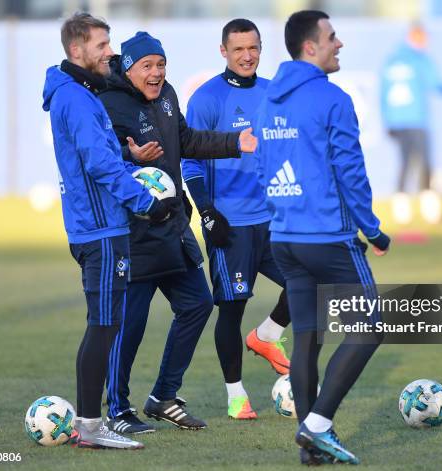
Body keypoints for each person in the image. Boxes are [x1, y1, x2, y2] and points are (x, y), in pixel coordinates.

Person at [97, 31, 258, 434]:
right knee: (129, 326)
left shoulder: (166, 95)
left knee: (199, 304)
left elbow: (185, 141)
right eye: (147, 66)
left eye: (161, 65)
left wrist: (233, 142)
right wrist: (128, 155)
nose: (156, 73)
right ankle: (117, 410)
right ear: (129, 68)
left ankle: (164, 396)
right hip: (132, 231)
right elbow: (97, 160)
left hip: (172, 225)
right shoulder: (107, 101)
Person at [253, 10, 390, 465]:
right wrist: (372, 228)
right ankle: (317, 424)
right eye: (333, 37)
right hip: (327, 237)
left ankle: (310, 447)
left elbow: (261, 166)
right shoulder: (333, 100)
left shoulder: (268, 99)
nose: (340, 44)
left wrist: (281, 210)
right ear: (310, 46)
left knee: (307, 340)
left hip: (284, 238)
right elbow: (350, 170)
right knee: (372, 324)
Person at [42, 13, 179, 449]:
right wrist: (147, 204)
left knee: (106, 324)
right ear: (77, 50)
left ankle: (89, 423)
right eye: (102, 45)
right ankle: (89, 426)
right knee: (103, 327)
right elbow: (98, 167)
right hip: (100, 231)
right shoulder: (78, 100)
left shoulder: (78, 94)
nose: (110, 52)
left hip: (102, 227)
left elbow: (102, 156)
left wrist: (130, 159)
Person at [182, 19, 291, 420]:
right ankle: (235, 394)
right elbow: (190, 160)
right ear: (223, 51)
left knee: (308, 280)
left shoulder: (272, 94)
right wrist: (207, 210)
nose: (247, 56)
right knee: (231, 307)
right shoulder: (207, 99)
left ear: (261, 49)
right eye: (239, 49)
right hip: (230, 223)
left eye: (254, 48)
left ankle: (267, 335)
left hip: (273, 219)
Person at [380, 23, 442, 225]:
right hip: (416, 119)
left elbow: (383, 94)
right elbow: (436, 84)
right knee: (423, 162)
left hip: (397, 120)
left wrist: (387, 120)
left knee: (405, 162)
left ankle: (401, 210)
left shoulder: (392, 59)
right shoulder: (419, 60)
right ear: (416, 37)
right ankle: (429, 209)